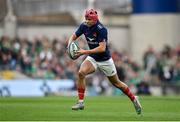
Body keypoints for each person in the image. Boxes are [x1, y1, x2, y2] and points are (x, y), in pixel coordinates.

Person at [67, 8, 142, 114]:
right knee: (81, 73)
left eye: (88, 19)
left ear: (94, 20)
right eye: (86, 18)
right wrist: (69, 44)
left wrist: (84, 52)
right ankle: (81, 102)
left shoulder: (101, 29)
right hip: (93, 57)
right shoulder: (84, 26)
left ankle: (134, 99)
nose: (86, 21)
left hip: (105, 60)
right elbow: (73, 36)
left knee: (117, 83)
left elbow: (102, 48)